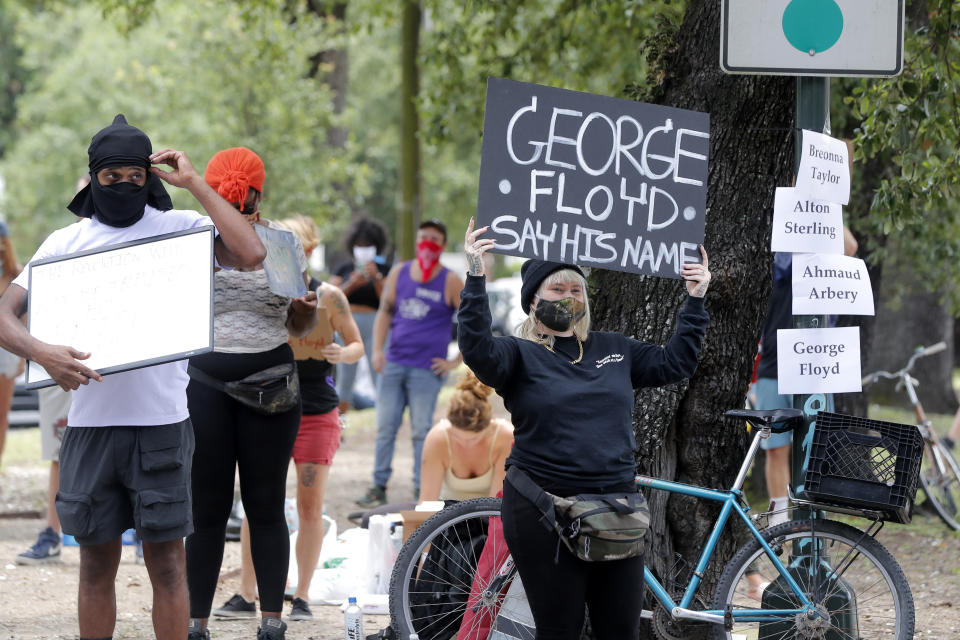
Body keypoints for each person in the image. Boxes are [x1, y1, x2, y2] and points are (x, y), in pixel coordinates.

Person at [0, 114, 266, 640]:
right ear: (92, 177)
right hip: (90, 429)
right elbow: (3, 315)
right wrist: (43, 352)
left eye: (134, 176)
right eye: (110, 177)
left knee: (167, 567)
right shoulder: (63, 244)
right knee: (96, 568)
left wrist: (194, 182)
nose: (123, 186)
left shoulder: (182, 231)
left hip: (162, 427)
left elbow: (251, 252)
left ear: (150, 177)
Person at [457, 218, 711, 640]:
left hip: (617, 512)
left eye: (576, 290)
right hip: (543, 510)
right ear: (533, 299)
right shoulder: (517, 354)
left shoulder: (615, 349)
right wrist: (476, 274)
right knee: (561, 629)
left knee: (620, 630)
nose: (569, 297)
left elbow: (675, 363)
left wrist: (696, 300)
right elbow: (476, 348)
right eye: (557, 289)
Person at [184, 148, 317, 640]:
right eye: (226, 194)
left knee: (264, 503)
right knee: (206, 507)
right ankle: (196, 621)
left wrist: (306, 306)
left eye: (243, 195)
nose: (237, 202)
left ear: (259, 194)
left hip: (270, 385)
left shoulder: (281, 243)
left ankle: (271, 621)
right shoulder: (193, 241)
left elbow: (299, 324)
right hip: (205, 385)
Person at [212, 214, 364, 622]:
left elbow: (357, 346)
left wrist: (340, 353)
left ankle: (302, 595)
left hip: (315, 407)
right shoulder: (259, 288)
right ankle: (248, 592)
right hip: (268, 401)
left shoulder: (330, 296)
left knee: (310, 506)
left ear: (309, 250)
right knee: (259, 504)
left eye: (292, 243)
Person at [355, 219, 464, 508]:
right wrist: (377, 350)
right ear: (416, 241)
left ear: (442, 245)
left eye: (434, 239)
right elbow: (385, 313)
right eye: (423, 237)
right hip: (394, 363)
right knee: (385, 427)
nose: (428, 244)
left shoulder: (450, 280)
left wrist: (456, 362)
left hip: (426, 371)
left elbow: (473, 320)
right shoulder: (400, 272)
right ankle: (378, 486)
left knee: (421, 432)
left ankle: (422, 490)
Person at [419, 369, 513, 502]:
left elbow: (497, 504)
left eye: (475, 439)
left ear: (488, 426)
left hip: (489, 515)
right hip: (449, 514)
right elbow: (427, 501)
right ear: (450, 425)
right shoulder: (437, 438)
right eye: (458, 437)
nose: (466, 443)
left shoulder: (505, 436)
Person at [329, 216, 390, 414]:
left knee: (379, 375)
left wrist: (377, 279)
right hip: (347, 324)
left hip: (375, 325)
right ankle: (338, 423)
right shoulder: (344, 269)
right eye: (360, 245)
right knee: (345, 377)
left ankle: (383, 421)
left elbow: (389, 302)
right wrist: (353, 283)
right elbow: (330, 297)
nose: (364, 249)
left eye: (368, 245)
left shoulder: (383, 270)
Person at [15, 386, 72, 564]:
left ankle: (142, 534)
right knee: (59, 450)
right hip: (61, 367)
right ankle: (52, 534)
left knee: (125, 437)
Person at [0, 220, 23, 463]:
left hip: (6, 352)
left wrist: (23, 355)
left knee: (2, 412)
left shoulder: (15, 273)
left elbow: (24, 316)